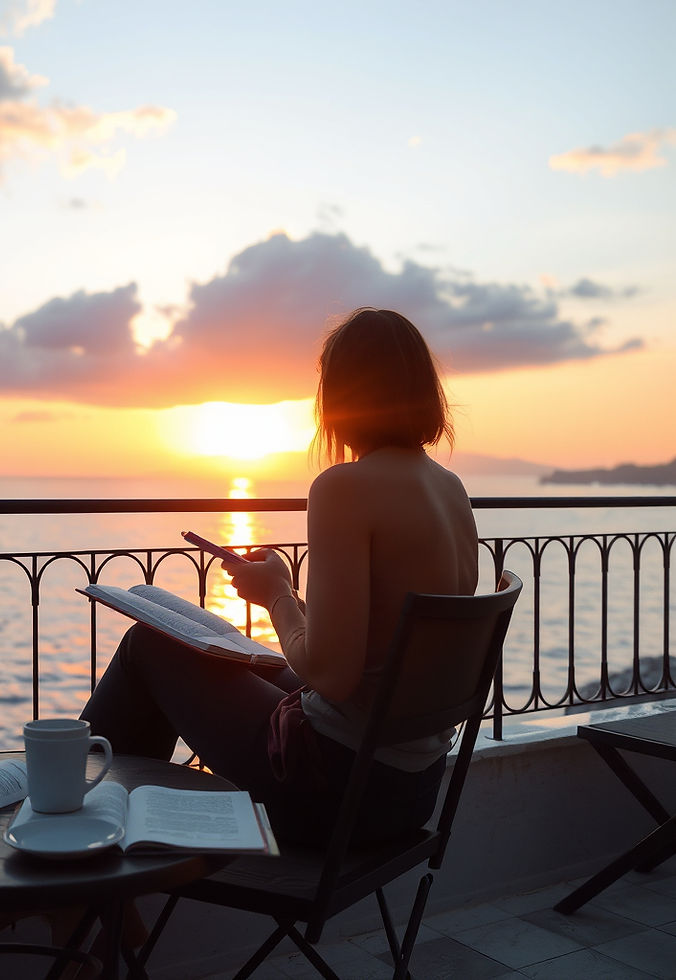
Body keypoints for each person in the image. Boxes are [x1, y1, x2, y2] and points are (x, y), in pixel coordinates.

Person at [80, 308, 479, 845]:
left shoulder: (345, 488)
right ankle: (100, 861)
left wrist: (276, 595)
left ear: (339, 397)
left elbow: (332, 676)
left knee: (146, 647)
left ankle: (72, 853)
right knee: (223, 656)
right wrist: (288, 599)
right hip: (410, 789)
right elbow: (377, 646)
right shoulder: (450, 489)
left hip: (333, 789)